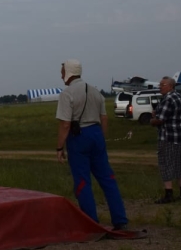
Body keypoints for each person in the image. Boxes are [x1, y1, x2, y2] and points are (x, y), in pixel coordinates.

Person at [55, 59, 128, 230]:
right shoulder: (95, 91)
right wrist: (100, 138)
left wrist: (59, 147)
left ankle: (90, 223)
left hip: (79, 136)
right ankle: (120, 220)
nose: (61, 76)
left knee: (82, 181)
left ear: (68, 73)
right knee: (107, 178)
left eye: (62, 72)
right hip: (97, 134)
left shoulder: (67, 94)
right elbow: (104, 118)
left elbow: (65, 124)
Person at [150, 76, 181, 203]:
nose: (160, 87)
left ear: (171, 86)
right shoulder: (179, 96)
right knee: (180, 164)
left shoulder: (168, 99)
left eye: (163, 85)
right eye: (160, 84)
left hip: (169, 136)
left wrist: (152, 120)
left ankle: (169, 193)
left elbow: (160, 120)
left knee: (165, 163)